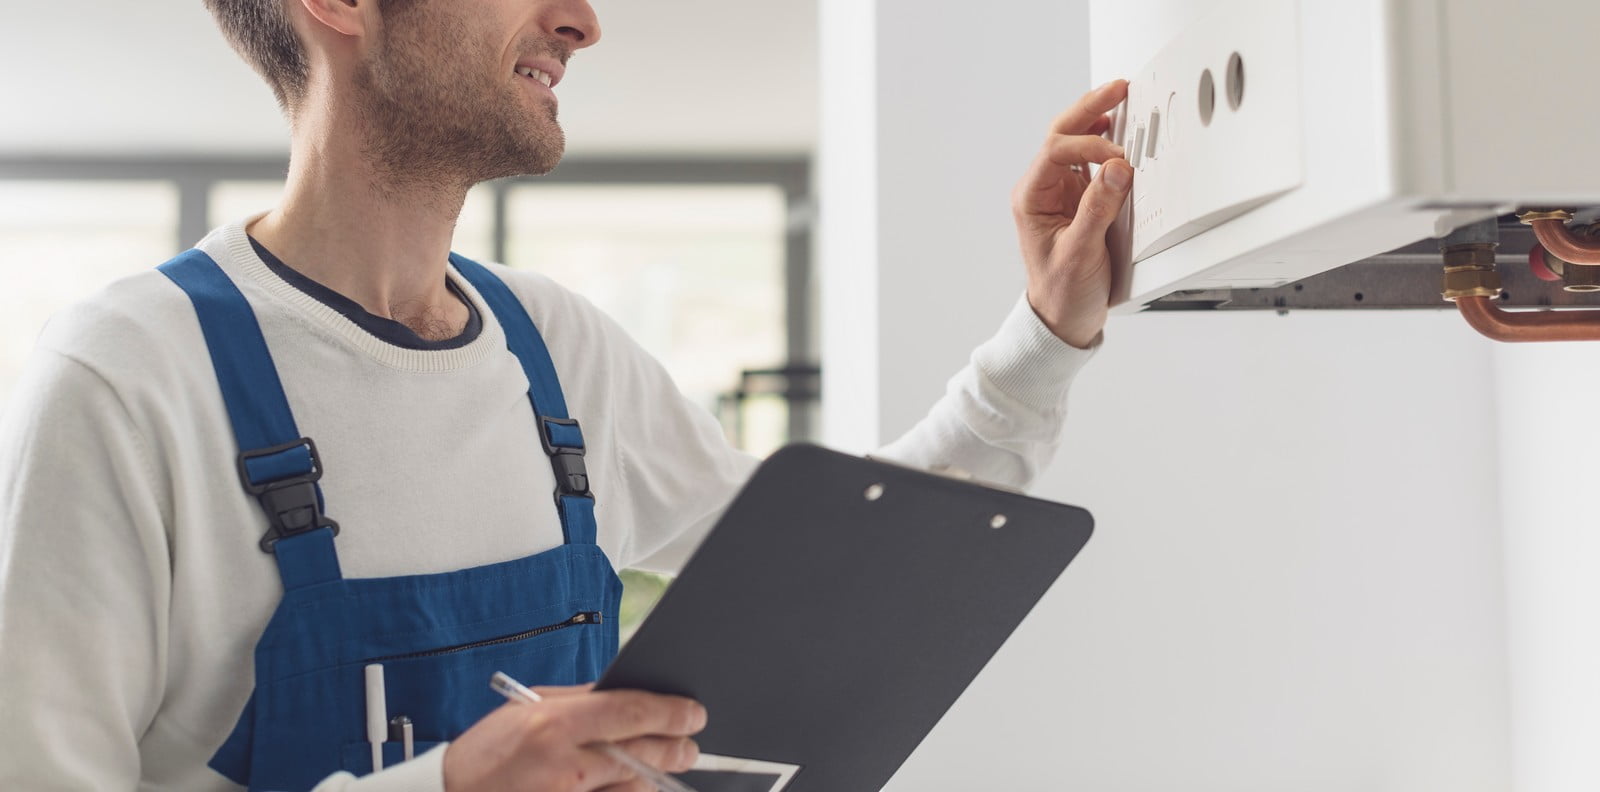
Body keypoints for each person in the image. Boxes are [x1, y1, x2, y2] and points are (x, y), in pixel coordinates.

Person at [0, 0, 1132, 789]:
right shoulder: (128, 378)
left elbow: (862, 554)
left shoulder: (551, 348)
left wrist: (1047, 328)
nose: (584, 19)